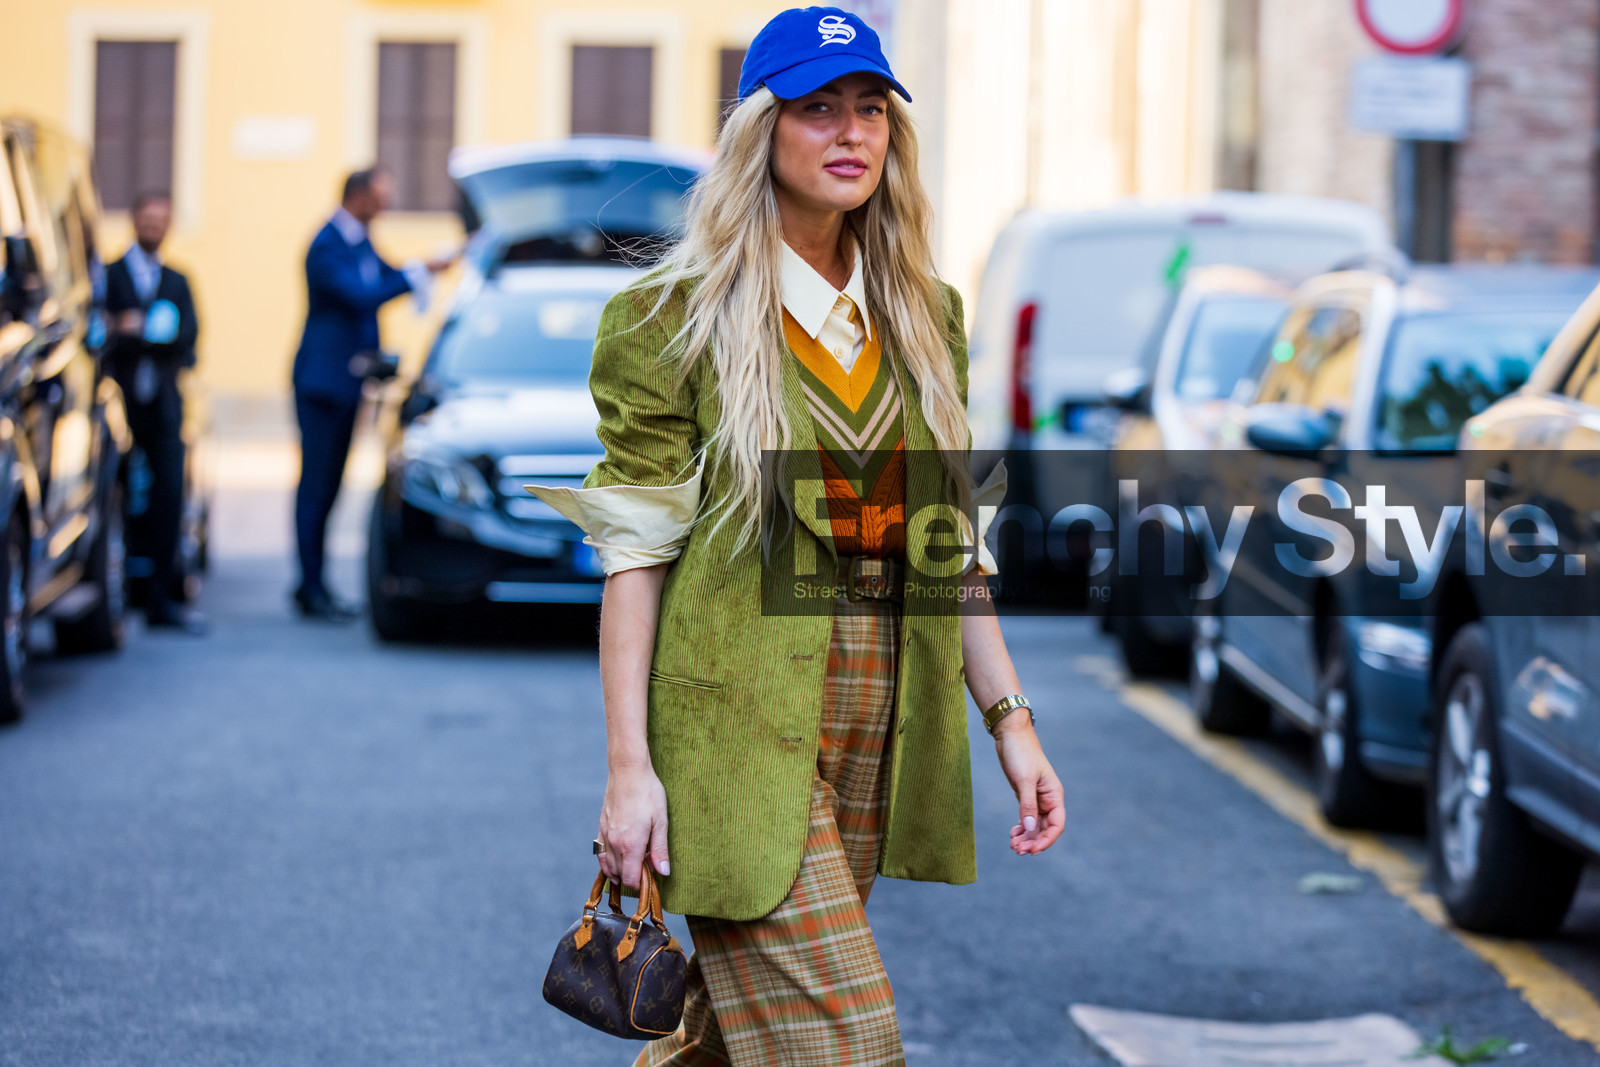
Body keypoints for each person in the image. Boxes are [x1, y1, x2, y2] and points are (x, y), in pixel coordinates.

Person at [530, 8, 1065, 1064]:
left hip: (878, 724)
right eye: (817, 109)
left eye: (869, 109)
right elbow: (635, 555)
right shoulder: (669, 317)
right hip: (731, 737)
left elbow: (945, 542)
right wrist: (627, 770)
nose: (849, 132)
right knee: (848, 1041)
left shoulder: (925, 316)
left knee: (733, 1040)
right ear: (760, 131)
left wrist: (1011, 719)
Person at [291, 167, 449, 621]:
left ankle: (314, 583)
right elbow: (363, 295)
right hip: (322, 384)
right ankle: (309, 586)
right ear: (358, 197)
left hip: (346, 383)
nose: (386, 204)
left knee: (332, 485)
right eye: (381, 196)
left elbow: (388, 273)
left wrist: (427, 267)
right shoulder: (326, 245)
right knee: (316, 487)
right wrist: (415, 273)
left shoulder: (359, 239)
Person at [105, 190, 205, 634]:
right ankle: (120, 588)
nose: (154, 227)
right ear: (134, 220)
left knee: (169, 497)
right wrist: (137, 332)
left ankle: (163, 598)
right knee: (115, 494)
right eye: (148, 219)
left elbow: (187, 340)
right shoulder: (109, 276)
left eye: (161, 220)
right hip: (117, 404)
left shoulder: (177, 280)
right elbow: (101, 333)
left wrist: (136, 329)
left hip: (162, 405)